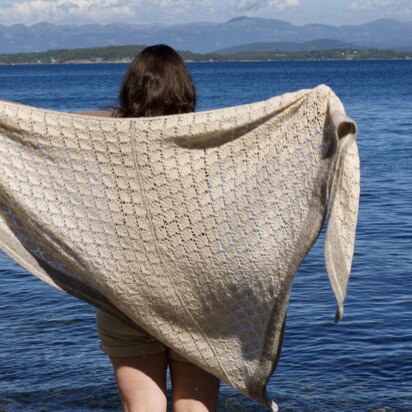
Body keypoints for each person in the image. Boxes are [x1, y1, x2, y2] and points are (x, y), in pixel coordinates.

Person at [81, 44, 220, 412]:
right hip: (197, 290)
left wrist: (123, 116)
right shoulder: (208, 139)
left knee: (142, 405)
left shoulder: (108, 137)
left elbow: (56, 128)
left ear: (131, 88)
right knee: (195, 407)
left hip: (127, 289)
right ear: (186, 90)